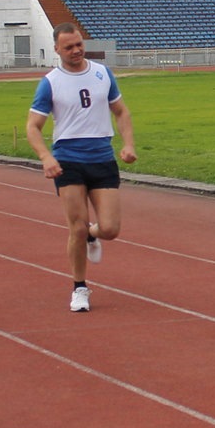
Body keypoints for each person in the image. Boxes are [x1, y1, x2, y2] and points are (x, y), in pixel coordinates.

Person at [25, 23, 136, 312]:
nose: (75, 51)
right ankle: (80, 288)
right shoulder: (50, 82)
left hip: (102, 158)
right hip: (68, 161)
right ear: (56, 50)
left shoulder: (102, 73)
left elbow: (121, 111)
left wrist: (128, 144)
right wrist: (46, 157)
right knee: (76, 227)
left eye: (78, 45)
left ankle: (93, 235)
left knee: (110, 229)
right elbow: (33, 127)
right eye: (68, 47)